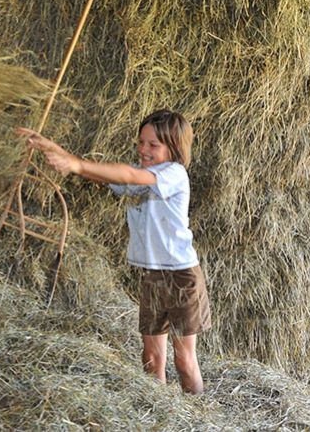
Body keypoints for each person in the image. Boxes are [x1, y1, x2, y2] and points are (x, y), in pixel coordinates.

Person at [17, 110, 210, 394]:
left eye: (153, 145)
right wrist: (58, 151)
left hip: (182, 277)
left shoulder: (174, 174)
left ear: (175, 147)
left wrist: (76, 164)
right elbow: (108, 175)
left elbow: (129, 174)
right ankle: (158, 412)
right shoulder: (141, 174)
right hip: (153, 275)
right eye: (141, 142)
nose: (144, 150)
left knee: (184, 361)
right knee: (152, 358)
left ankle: (197, 416)